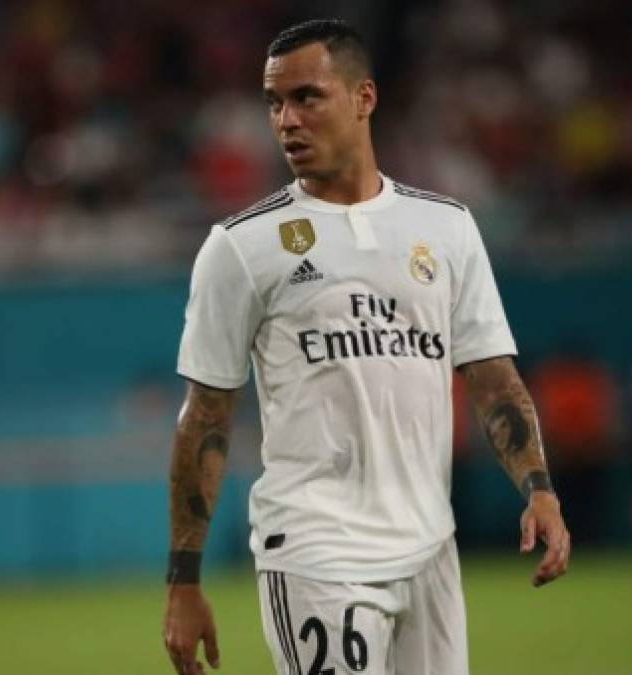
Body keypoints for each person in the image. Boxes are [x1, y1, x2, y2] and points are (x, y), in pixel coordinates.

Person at [162, 20, 569, 675]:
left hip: (429, 548)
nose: (286, 120)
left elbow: (492, 377)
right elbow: (204, 416)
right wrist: (182, 578)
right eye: (273, 103)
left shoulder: (446, 229)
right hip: (316, 552)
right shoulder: (240, 247)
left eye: (306, 97)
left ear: (363, 98)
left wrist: (539, 488)